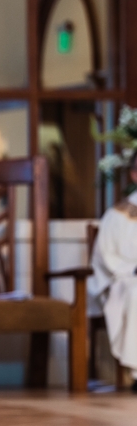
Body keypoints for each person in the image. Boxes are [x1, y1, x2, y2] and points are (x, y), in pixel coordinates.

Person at [89, 151, 137, 391]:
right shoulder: (117, 215)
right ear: (134, 174)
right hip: (125, 279)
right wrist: (132, 269)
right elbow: (105, 256)